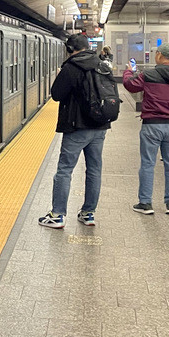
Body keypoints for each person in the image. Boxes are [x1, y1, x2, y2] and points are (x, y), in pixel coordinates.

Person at [37, 33, 111, 229]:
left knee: (64, 170)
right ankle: (88, 213)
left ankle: (58, 214)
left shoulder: (71, 67)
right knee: (94, 170)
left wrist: (59, 75)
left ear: (70, 49)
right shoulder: (103, 64)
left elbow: (56, 95)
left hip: (77, 126)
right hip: (100, 126)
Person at [122, 43, 169, 215]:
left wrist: (128, 71)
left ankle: (145, 203)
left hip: (152, 125)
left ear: (160, 56)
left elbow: (130, 85)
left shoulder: (149, 75)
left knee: (148, 163)